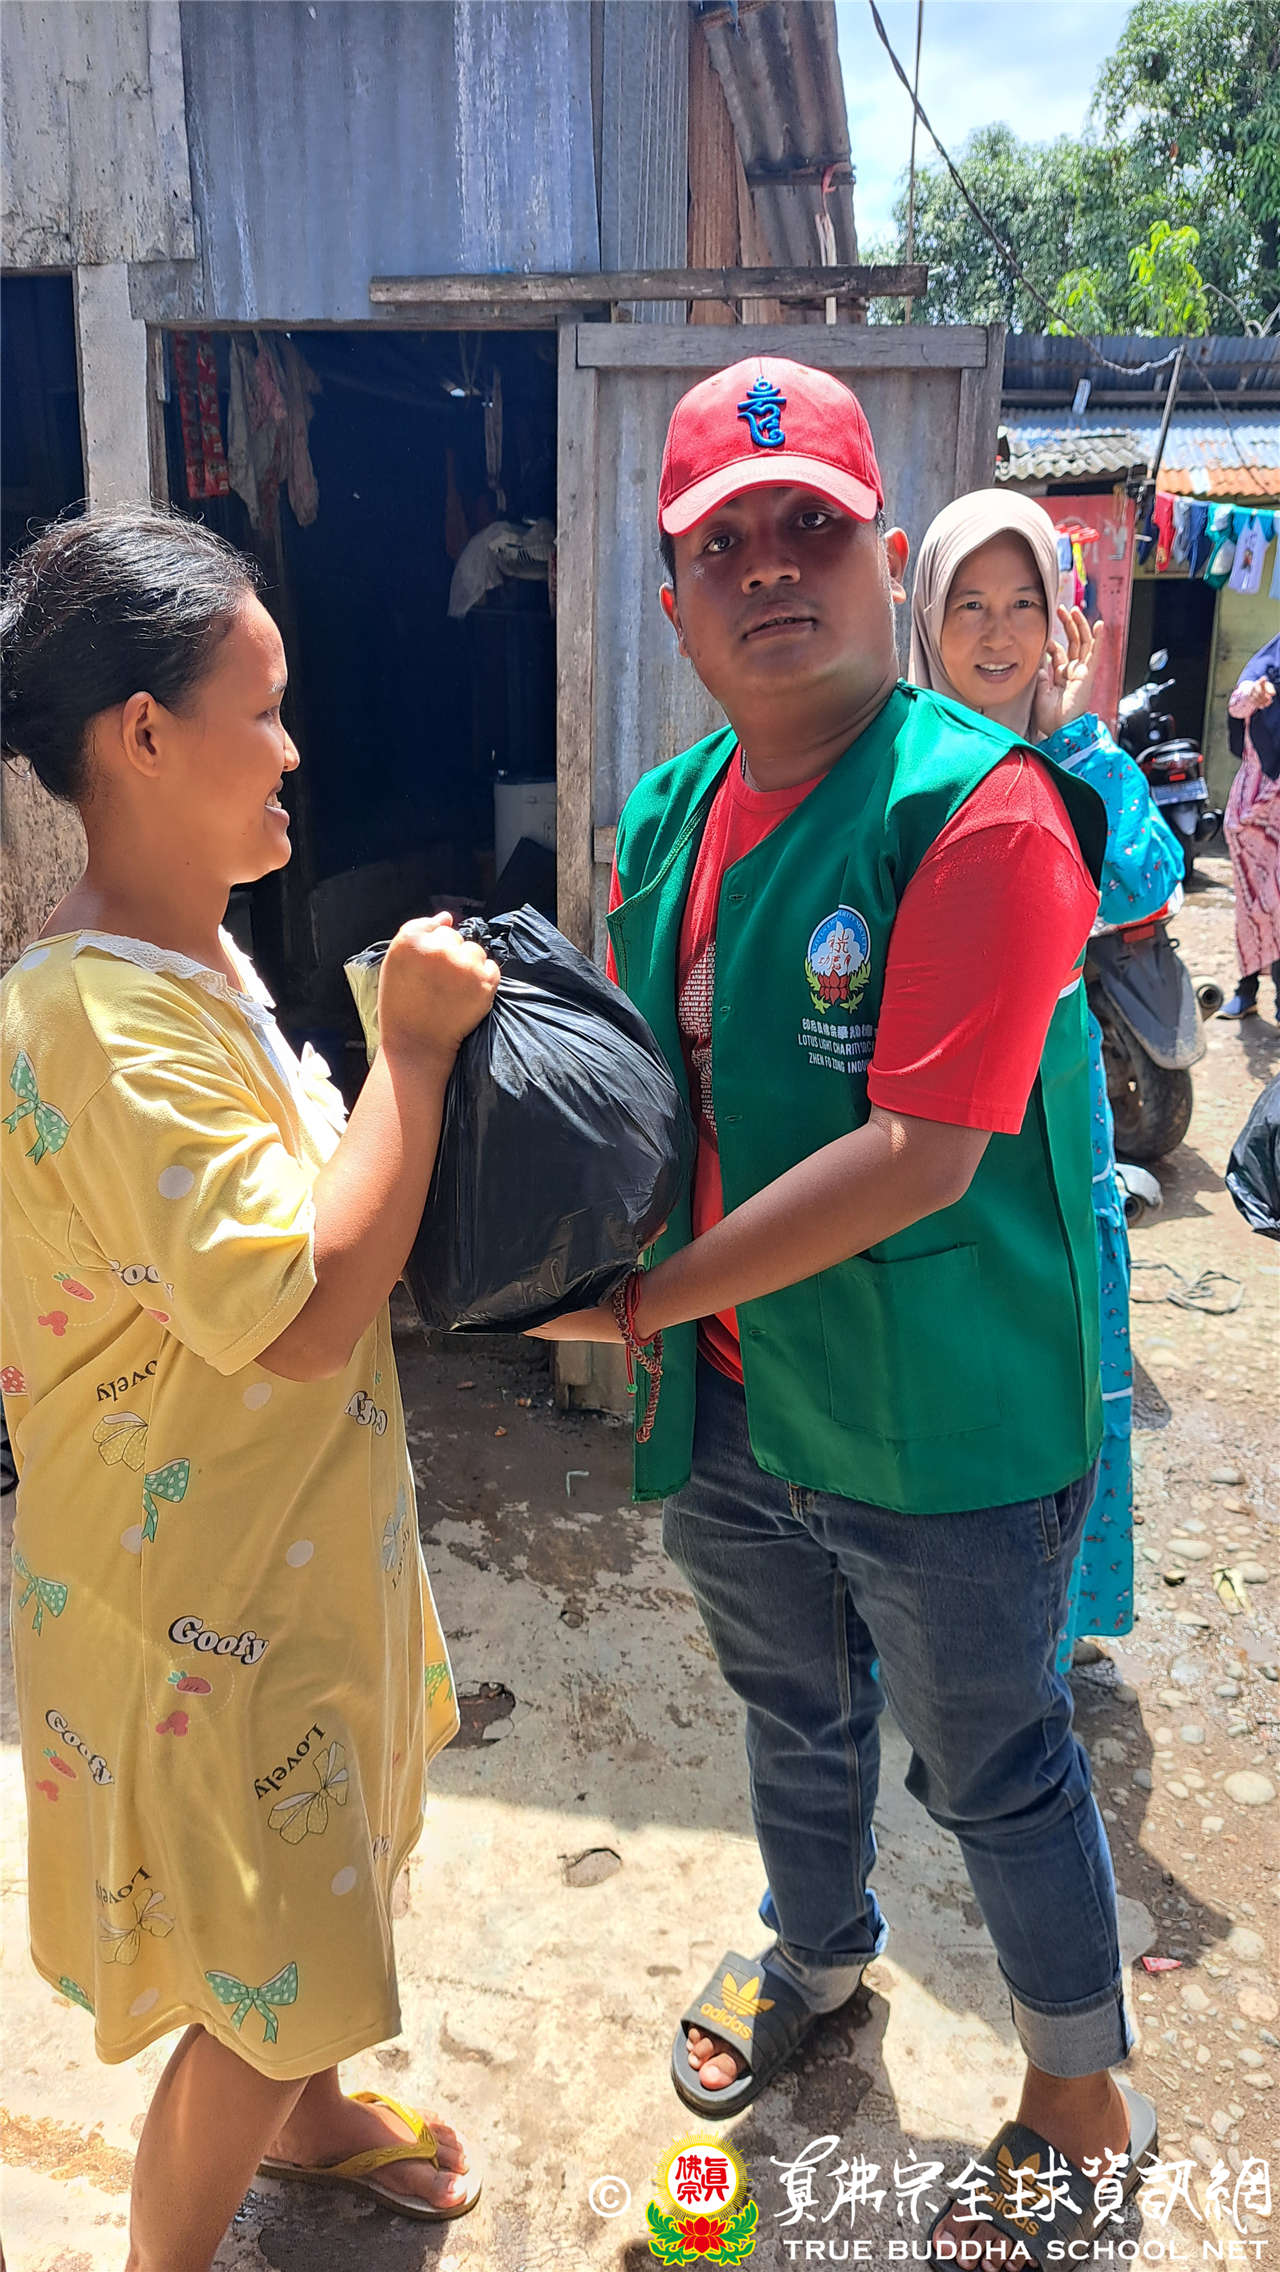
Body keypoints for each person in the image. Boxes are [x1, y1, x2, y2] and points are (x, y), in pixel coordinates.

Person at [535, 359, 1156, 2267]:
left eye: (810, 524)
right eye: (724, 541)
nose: (769, 566)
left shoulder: (980, 809)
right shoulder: (665, 813)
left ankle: (1080, 2092)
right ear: (675, 604)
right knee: (791, 1704)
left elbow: (919, 1154)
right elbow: (642, 1083)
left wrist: (638, 1300)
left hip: (938, 1415)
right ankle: (816, 1951)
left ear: (885, 562)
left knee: (993, 1758)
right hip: (737, 1401)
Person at [0, 510, 498, 2272]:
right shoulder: (96, 1024)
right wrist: (412, 1054)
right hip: (198, 1605)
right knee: (261, 1955)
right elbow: (292, 1309)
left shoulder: (193, 959)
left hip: (278, 1550)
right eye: (262, 709)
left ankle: (313, 2107)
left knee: (305, 1892)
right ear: (144, 734)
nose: (294, 750)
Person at [909, 489, 1182, 1671]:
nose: (995, 632)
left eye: (1022, 603)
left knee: (1069, 1370)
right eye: (966, 604)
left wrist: (1075, 740)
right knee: (950, 1372)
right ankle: (937, 1635)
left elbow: (1139, 886)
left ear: (1056, 621)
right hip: (934, 1133)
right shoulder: (898, 763)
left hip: (1057, 1124)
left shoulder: (1075, 757)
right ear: (924, 618)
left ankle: (1053, 1630)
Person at [1220, 632, 1280, 1019]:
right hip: (1252, 806)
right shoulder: (1268, 667)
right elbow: (1238, 702)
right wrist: (1255, 695)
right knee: (1251, 903)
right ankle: (1247, 990)